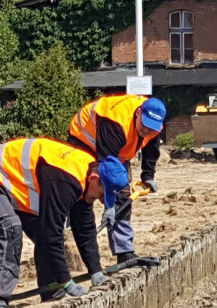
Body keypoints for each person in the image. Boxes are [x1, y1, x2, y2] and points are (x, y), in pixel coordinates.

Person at [0, 138, 129, 308]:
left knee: (44, 235)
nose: (99, 199)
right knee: (11, 230)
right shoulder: (65, 181)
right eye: (101, 194)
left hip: (14, 184)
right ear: (95, 179)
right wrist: (67, 282)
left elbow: (85, 227)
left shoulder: (86, 175)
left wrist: (96, 270)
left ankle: (52, 292)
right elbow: (52, 234)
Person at [68, 95, 166, 263]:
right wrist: (109, 205)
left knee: (123, 195)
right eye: (145, 126)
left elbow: (151, 149)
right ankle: (69, 239)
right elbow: (108, 169)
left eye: (152, 129)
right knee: (83, 191)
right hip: (85, 141)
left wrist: (148, 175)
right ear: (138, 113)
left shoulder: (153, 125)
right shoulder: (115, 122)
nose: (147, 131)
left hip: (117, 152)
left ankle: (124, 251)